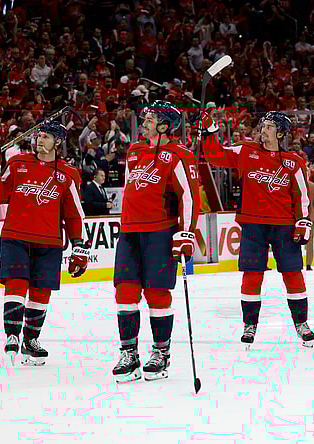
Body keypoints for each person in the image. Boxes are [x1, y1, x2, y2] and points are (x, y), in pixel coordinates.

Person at [200, 110, 314, 348]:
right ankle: (249, 325)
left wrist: (303, 221)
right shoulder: (245, 151)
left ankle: (301, 323)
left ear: (281, 133)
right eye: (263, 126)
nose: (264, 130)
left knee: (293, 274)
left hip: (284, 226)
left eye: (270, 127)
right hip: (253, 224)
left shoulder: (294, 161)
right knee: (252, 275)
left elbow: (301, 195)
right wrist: (209, 132)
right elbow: (214, 155)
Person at [0, 120, 88, 366]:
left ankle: (31, 340)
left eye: (46, 137)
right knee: (16, 283)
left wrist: (79, 245)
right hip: (16, 236)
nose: (40, 140)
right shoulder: (17, 163)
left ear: (58, 142)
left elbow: (74, 214)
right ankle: (12, 334)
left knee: (41, 292)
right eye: (39, 136)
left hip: (49, 241)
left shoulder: (68, 174)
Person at [111, 101, 201, 383]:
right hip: (130, 232)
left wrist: (185, 233)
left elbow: (189, 197)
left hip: (160, 232)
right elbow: (129, 188)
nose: (145, 123)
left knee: (156, 293)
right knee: (125, 292)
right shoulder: (135, 152)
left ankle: (161, 353)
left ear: (164, 126)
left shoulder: (179, 155)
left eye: (150, 119)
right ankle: (129, 353)